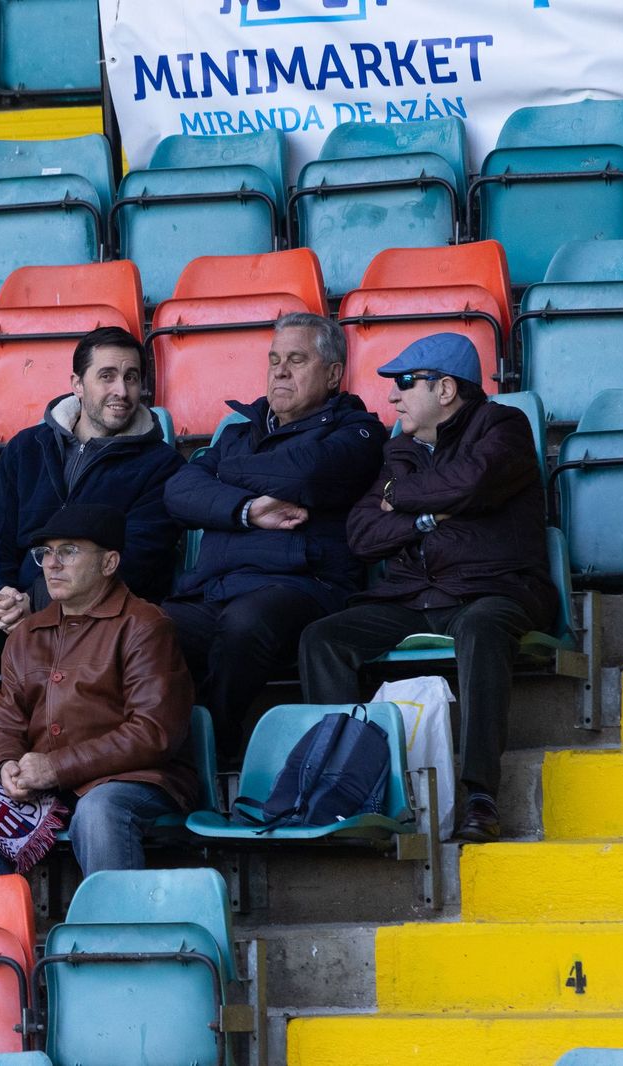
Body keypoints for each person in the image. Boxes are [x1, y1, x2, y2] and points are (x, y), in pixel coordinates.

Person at [298, 333, 557, 844]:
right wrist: (425, 519)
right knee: (322, 638)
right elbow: (362, 534)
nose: (392, 397)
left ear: (444, 389)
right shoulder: (401, 449)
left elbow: (473, 481)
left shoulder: (503, 425)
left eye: (403, 383)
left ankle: (480, 796)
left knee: (482, 628)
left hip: (493, 590)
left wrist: (403, 498)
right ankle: (347, 793)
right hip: (414, 596)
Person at [163, 312, 384, 759]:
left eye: (297, 360)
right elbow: (178, 492)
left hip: (304, 585)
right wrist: (246, 509)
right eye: (275, 359)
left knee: (246, 623)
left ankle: (215, 748)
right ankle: (152, 758)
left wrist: (223, 476)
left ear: (334, 373)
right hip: (216, 590)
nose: (280, 370)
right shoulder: (238, 435)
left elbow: (307, 473)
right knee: (144, 627)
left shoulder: (359, 433)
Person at [0, 325, 182, 677]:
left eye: (131, 378)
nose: (121, 391)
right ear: (77, 384)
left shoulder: (163, 465)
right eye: (107, 376)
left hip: (100, 623)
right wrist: (1, 599)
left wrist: (37, 602)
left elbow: (138, 559)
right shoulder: (27, 448)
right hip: (16, 617)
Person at [0, 504, 196, 877]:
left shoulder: (145, 625)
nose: (52, 563)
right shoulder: (26, 635)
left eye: (69, 551)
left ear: (109, 563)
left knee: (99, 811)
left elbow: (153, 733)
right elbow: (3, 725)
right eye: (45, 552)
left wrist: (56, 767)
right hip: (46, 787)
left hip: (135, 780)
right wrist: (5, 766)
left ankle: (113, 935)